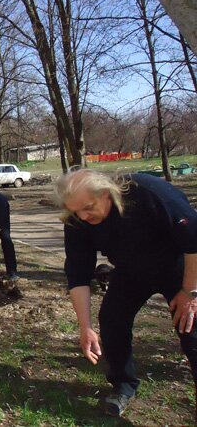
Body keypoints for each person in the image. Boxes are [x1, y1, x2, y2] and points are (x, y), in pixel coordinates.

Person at [54, 169, 197, 417]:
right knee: (112, 319)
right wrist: (85, 326)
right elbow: (78, 274)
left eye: (88, 207)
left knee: (191, 328)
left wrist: (190, 292)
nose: (83, 216)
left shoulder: (149, 192)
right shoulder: (77, 218)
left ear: (107, 193)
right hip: (131, 270)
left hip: (177, 267)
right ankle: (123, 385)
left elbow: (194, 239)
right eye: (76, 211)